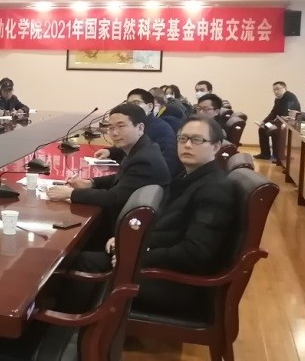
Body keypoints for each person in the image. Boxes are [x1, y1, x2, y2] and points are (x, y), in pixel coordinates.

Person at [62, 116, 236, 314]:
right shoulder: (191, 177)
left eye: (197, 140)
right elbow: (171, 229)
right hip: (159, 266)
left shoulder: (214, 189)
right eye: (182, 138)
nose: (187, 145)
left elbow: (195, 253)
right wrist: (126, 242)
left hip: (175, 285)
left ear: (216, 147)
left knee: (79, 262)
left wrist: (135, 256)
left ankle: (70, 326)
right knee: (79, 256)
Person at [47, 103, 171, 248]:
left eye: (121, 126)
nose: (114, 133)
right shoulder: (141, 148)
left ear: (140, 128)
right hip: (124, 222)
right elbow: (122, 178)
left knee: (60, 243)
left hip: (128, 234)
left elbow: (114, 197)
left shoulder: (144, 159)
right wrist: (90, 182)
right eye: (111, 128)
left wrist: (71, 193)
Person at [99, 89, 181, 177]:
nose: (131, 107)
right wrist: (110, 152)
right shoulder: (137, 123)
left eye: (136, 103)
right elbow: (130, 147)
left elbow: (168, 162)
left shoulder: (161, 128)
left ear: (150, 106)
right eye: (128, 104)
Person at [254, 81, 301, 160]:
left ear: (284, 88)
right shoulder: (278, 99)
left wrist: (276, 123)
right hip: (279, 121)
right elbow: (273, 113)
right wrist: (263, 122)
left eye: (278, 89)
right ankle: (265, 154)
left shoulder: (290, 97)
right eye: (274, 90)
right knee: (262, 128)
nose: (276, 91)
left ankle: (278, 155)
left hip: (288, 123)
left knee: (274, 130)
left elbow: (288, 113)